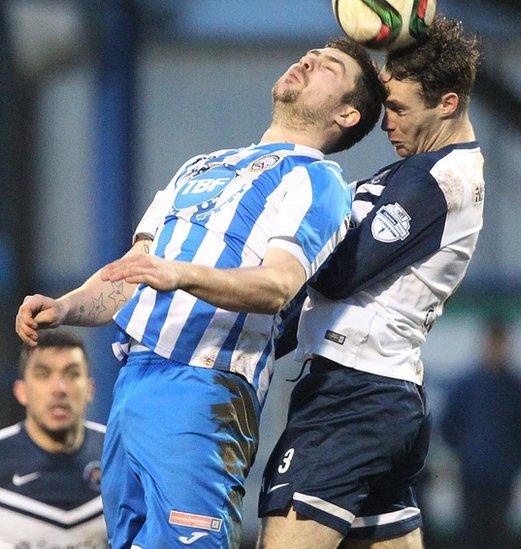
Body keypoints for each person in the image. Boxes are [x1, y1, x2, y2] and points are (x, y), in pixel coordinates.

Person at [15, 38, 386, 548]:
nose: (308, 61)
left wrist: (181, 274)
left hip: (204, 389)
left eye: (330, 67)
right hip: (133, 386)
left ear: (347, 113)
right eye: (311, 55)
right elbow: (131, 274)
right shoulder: (200, 166)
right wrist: (65, 307)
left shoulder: (318, 182)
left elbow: (277, 285)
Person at [258, 17, 484, 548]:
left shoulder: (440, 180)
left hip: (351, 396)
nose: (387, 122)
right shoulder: (418, 170)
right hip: (385, 394)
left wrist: (291, 238)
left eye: (400, 109)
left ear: (447, 104)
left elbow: (338, 276)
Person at [0, 330, 107, 546]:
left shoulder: (121, 452)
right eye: (43, 374)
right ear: (21, 391)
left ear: (90, 388)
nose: (59, 389)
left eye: (72, 374)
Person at [441, 320, 521, 549]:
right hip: (472, 475)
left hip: (503, 476)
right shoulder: (467, 386)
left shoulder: (518, 389)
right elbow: (448, 427)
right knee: (473, 533)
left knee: (498, 534)